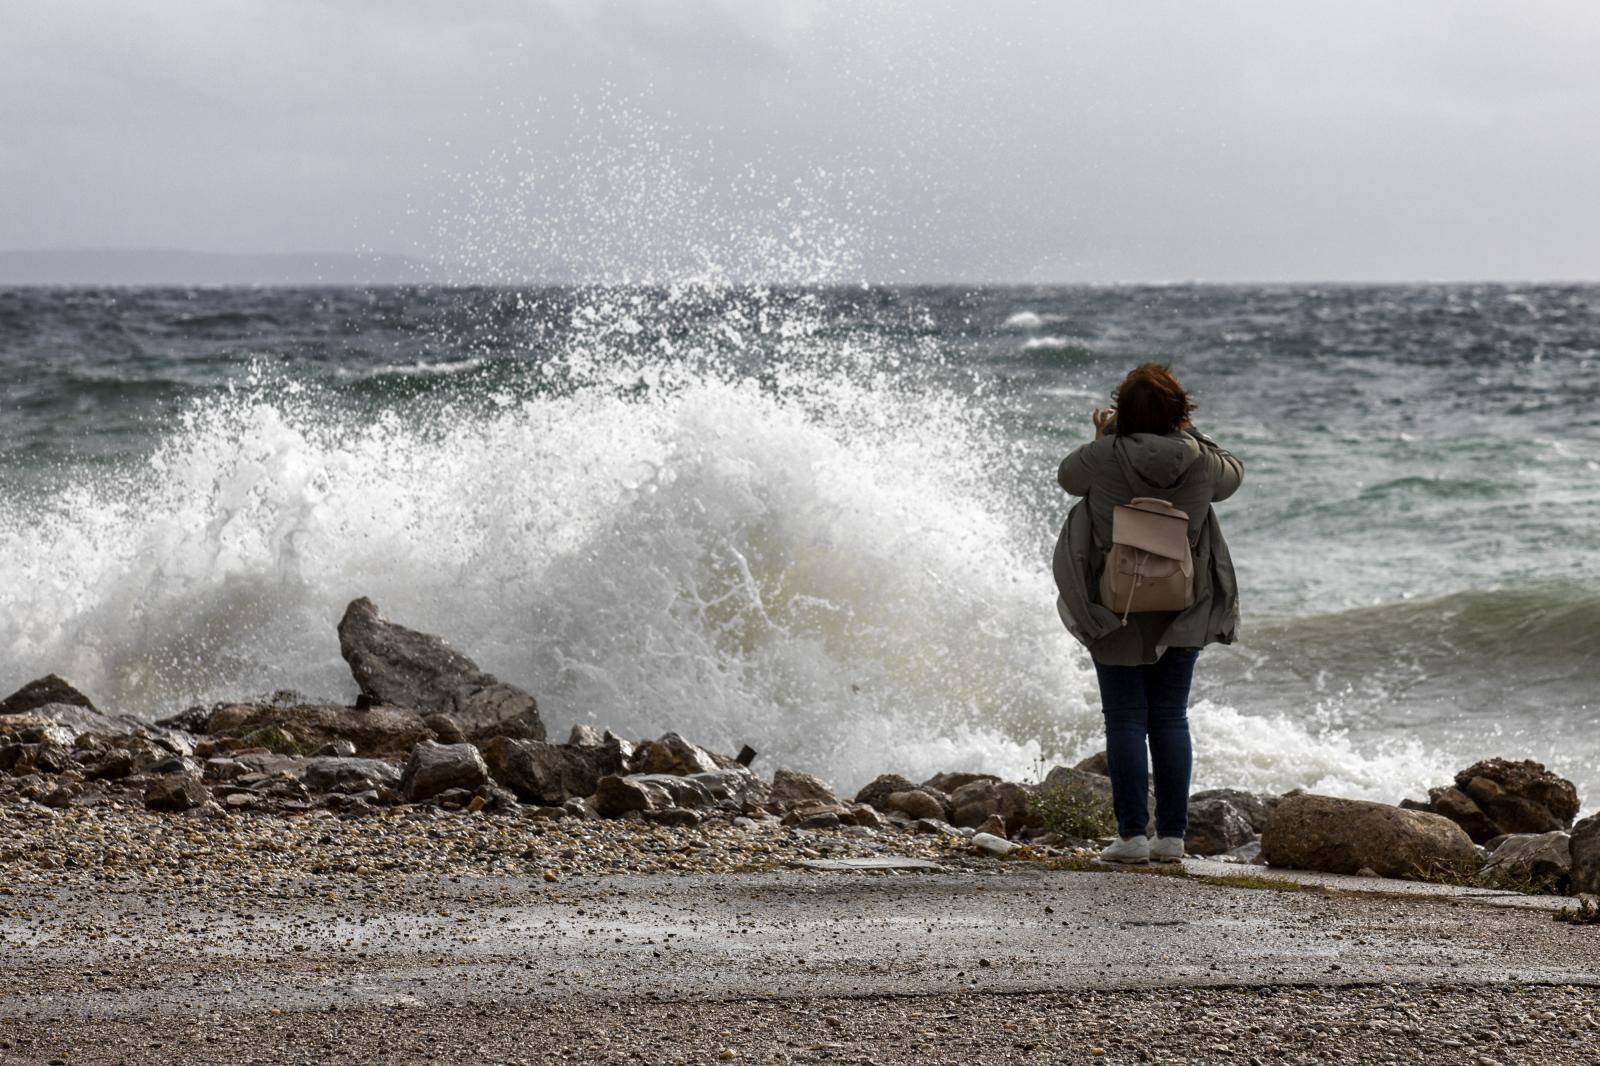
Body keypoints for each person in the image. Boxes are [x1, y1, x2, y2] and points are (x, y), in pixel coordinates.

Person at [1052, 363, 1242, 865]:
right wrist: (1189, 431)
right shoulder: (1202, 461)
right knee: (1171, 718)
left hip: (1117, 603)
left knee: (1125, 718)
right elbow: (1234, 472)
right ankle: (1172, 839)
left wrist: (1102, 434)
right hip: (1184, 602)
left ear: (1124, 414)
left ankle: (1132, 837)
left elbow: (1066, 477)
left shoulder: (1103, 455)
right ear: (1180, 413)